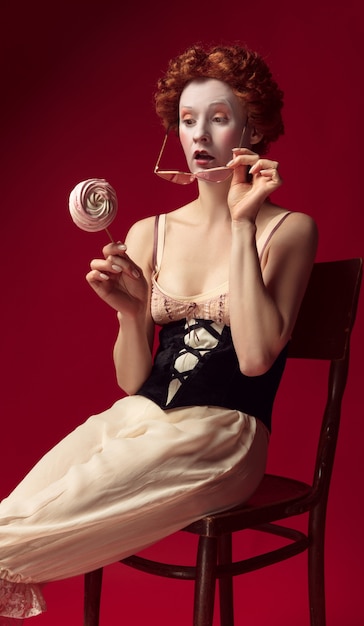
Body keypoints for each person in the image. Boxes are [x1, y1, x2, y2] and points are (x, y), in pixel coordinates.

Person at [0, 43, 317, 622]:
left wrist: (243, 224)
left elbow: (253, 358)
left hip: (224, 436)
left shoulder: (289, 231)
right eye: (188, 120)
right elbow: (131, 383)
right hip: (140, 421)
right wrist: (129, 314)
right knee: (21, 510)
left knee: (33, 525)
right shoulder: (150, 233)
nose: (200, 136)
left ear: (253, 125)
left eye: (219, 119)